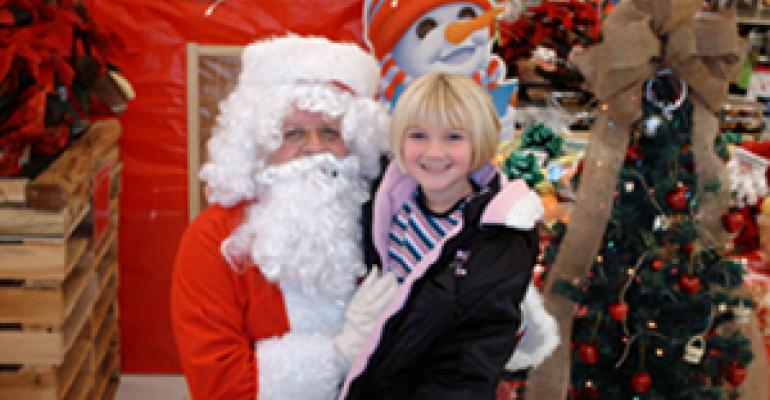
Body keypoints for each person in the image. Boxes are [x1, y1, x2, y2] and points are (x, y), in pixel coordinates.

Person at [171, 35, 398, 400]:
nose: (313, 147)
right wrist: (338, 357)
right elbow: (218, 384)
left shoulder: (382, 219)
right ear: (259, 145)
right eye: (293, 134)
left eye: (330, 133)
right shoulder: (214, 239)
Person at [339, 72, 545, 399]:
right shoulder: (387, 203)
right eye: (418, 135)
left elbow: (471, 362)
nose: (434, 153)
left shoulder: (498, 242)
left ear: (479, 142)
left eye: (453, 137)